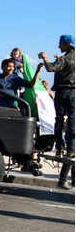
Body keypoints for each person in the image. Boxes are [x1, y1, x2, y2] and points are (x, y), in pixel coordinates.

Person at [39, 34, 75, 166]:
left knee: (60, 120)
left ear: (68, 44)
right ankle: (71, 149)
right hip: (74, 92)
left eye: (61, 43)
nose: (59, 46)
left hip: (62, 91)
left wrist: (45, 58)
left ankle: (59, 148)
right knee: (72, 121)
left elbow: (50, 68)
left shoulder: (65, 58)